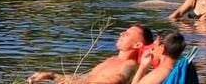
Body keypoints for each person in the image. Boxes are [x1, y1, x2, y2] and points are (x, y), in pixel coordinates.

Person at [26, 24, 154, 84]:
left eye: (127, 34)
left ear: (137, 45)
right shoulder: (111, 60)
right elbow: (85, 78)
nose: (121, 33)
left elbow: (111, 82)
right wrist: (51, 76)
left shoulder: (130, 65)